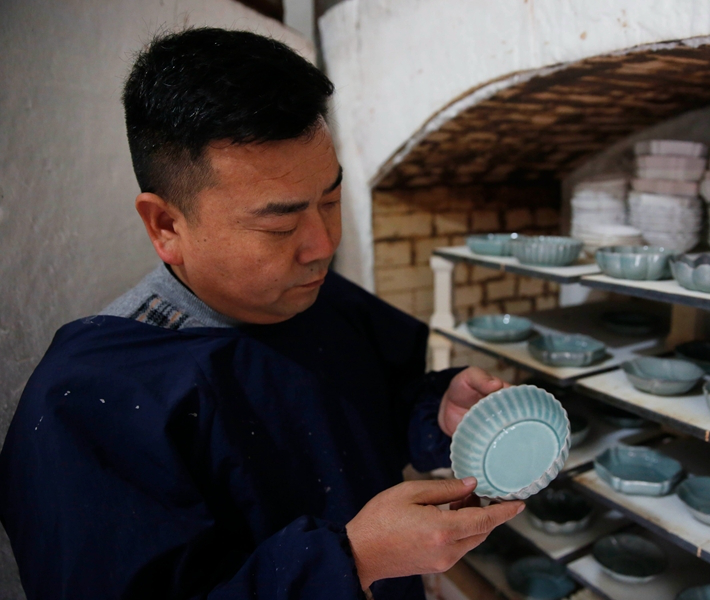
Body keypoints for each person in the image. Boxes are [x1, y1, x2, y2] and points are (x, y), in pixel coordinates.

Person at [0, 28, 523, 599]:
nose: (322, 245)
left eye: (331, 200)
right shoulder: (90, 402)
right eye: (279, 224)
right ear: (166, 226)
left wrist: (437, 414)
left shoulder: (319, 300)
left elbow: (370, 417)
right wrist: (354, 561)